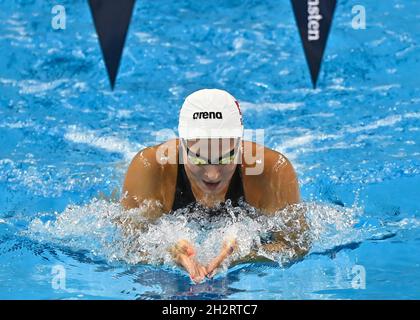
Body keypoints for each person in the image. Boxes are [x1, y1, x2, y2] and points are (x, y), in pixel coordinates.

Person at [121, 89, 309, 283]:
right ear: (181, 144)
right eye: (199, 158)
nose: (213, 174)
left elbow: (296, 246)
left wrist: (244, 253)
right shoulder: (152, 168)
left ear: (239, 144)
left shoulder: (271, 171)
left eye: (226, 157)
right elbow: (127, 246)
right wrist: (167, 252)